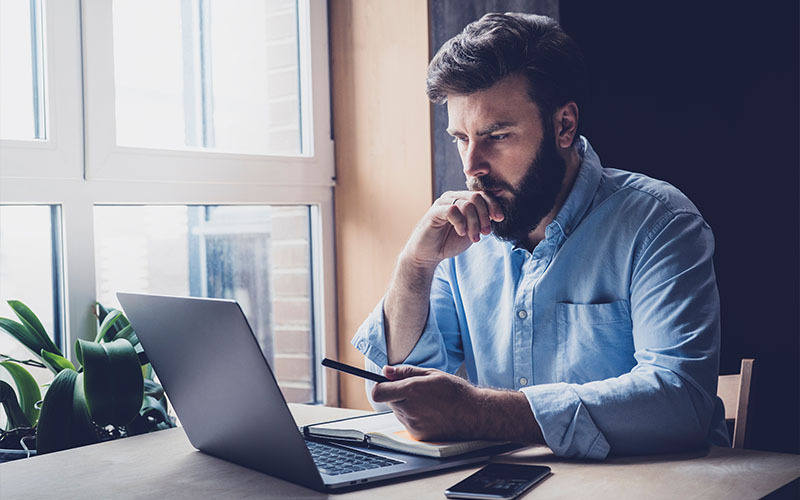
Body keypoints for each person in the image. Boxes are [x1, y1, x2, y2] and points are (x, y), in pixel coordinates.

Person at [351, 12, 730, 459]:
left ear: (564, 126)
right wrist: (414, 267)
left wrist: (481, 412)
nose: (472, 166)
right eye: (461, 138)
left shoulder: (660, 223)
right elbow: (404, 392)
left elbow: (679, 402)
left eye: (497, 135)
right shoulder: (461, 233)